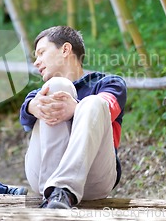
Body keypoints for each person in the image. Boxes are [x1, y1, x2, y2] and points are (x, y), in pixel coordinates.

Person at [20, 26, 127, 209]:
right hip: (42, 177)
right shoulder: (39, 93)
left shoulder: (109, 84)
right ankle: (55, 193)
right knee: (56, 86)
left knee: (93, 103)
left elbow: (107, 109)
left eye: (41, 53)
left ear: (65, 49)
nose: (36, 62)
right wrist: (31, 106)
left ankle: (62, 190)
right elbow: (26, 115)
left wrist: (76, 108)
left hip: (94, 179)